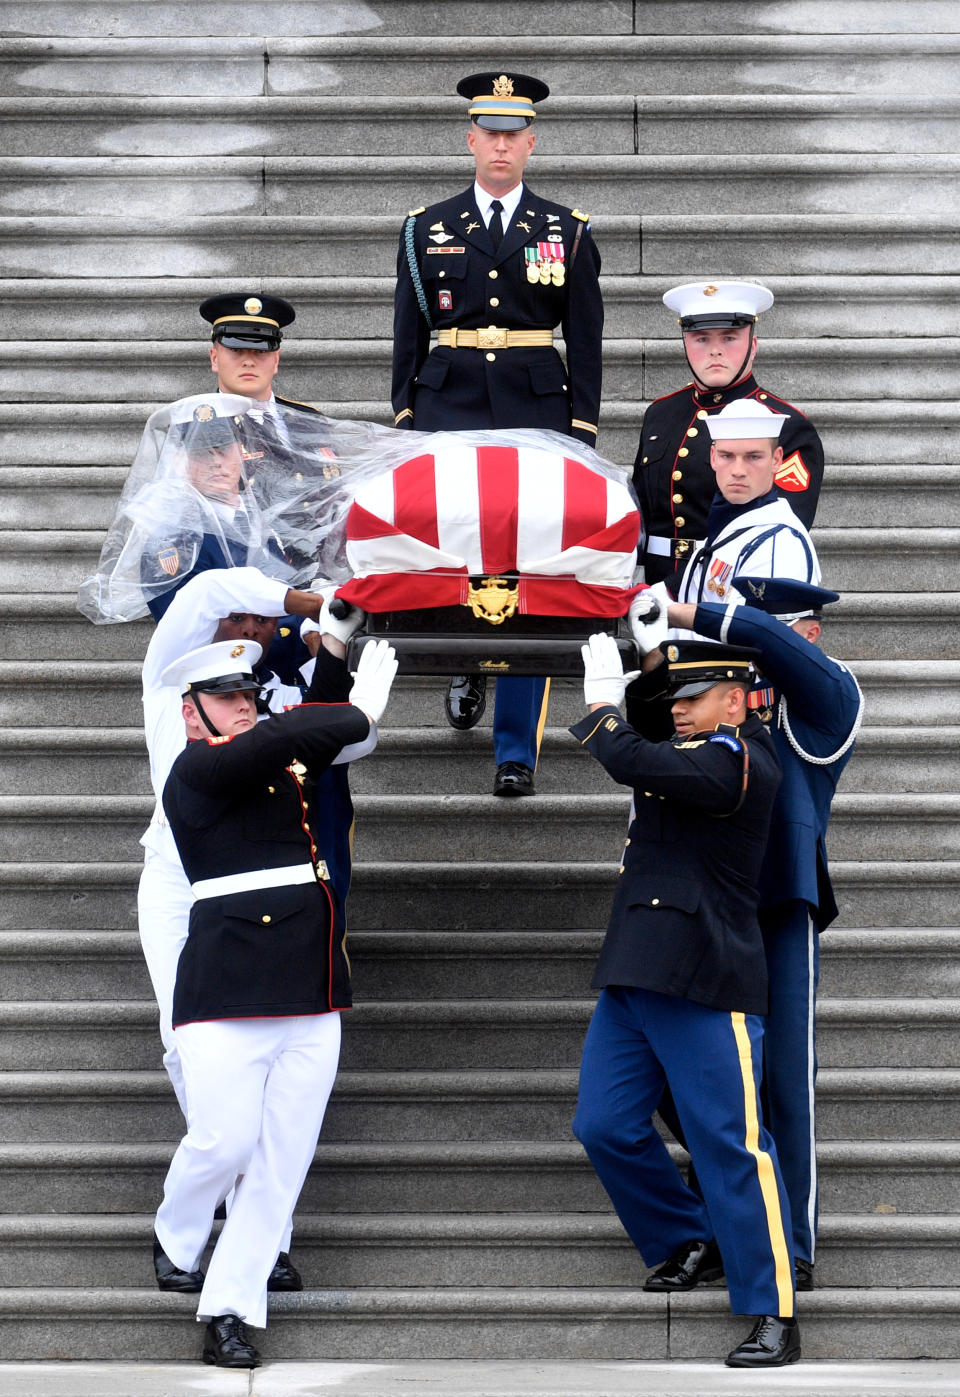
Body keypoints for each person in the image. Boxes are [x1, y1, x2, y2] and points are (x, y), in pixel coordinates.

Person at [152, 635, 397, 1368]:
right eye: (227, 698)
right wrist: (348, 713)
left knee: (279, 1163)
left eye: (249, 694)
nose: (245, 705)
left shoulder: (275, 761)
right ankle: (176, 1233)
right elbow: (293, 735)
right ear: (193, 715)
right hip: (228, 991)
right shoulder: (196, 768)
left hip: (309, 989)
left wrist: (340, 679)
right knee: (223, 1139)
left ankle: (228, 1307)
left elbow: (309, 741)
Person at [570, 632, 800, 1368]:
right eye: (677, 701)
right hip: (638, 965)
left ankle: (773, 1307)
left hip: (705, 972)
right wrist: (643, 668)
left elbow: (633, 754)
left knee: (730, 1142)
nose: (681, 711)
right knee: (603, 1123)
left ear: (735, 699)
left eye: (694, 699)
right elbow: (652, 745)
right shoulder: (692, 750)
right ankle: (685, 1234)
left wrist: (604, 708)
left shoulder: (741, 757)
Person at [391, 70, 604, 796]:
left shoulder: (565, 230)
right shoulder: (426, 227)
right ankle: (462, 661)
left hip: (535, 408)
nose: (502, 147)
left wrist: (580, 427)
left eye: (516, 135)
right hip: (448, 403)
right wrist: (404, 415)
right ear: (470, 139)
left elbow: (587, 336)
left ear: (531, 143)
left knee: (531, 566)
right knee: (456, 546)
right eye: (491, 134)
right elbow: (407, 331)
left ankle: (516, 748)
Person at [665, 577, 864, 1289]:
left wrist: (704, 611)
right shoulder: (728, 711)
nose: (744, 655)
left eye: (758, 637)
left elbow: (775, 645)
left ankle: (796, 1240)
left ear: (804, 635)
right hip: (708, 904)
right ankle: (739, 1216)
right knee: (695, 1079)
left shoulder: (826, 703)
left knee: (783, 1078)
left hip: (780, 903)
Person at [634, 281, 824, 583]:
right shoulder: (661, 413)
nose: (715, 351)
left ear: (754, 346)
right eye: (701, 339)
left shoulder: (784, 424)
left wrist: (677, 592)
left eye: (730, 338)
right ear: (685, 344)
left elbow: (779, 533)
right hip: (654, 586)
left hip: (728, 588)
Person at [668, 398, 820, 618]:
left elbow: (753, 636)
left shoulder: (780, 542)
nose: (738, 470)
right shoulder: (730, 525)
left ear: (777, 460)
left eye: (753, 457)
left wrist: (668, 617)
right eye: (727, 456)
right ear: (713, 457)